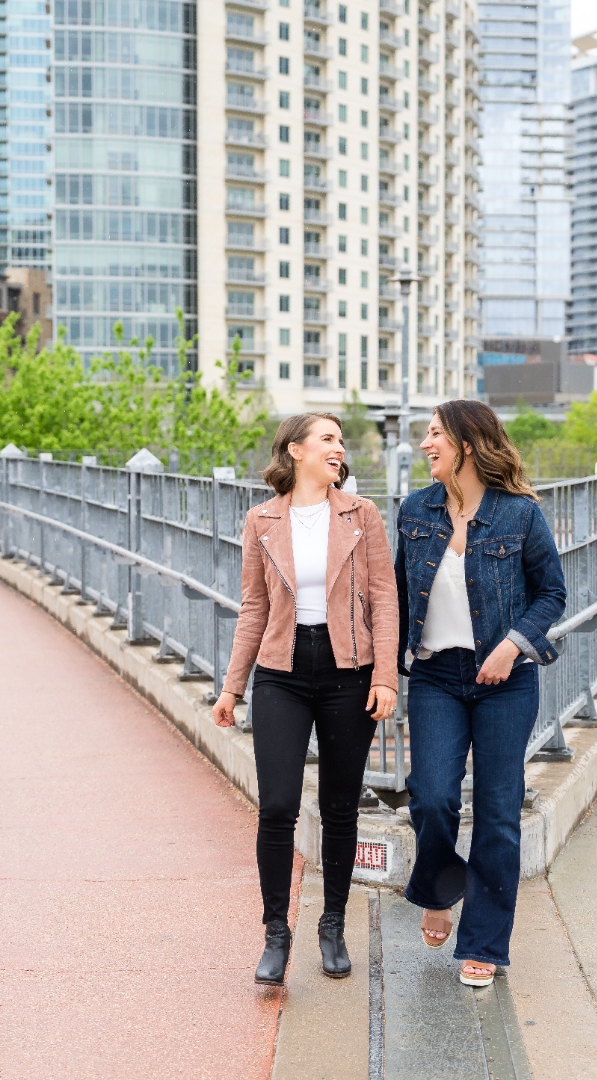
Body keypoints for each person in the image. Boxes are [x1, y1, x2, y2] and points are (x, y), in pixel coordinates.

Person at [213, 413, 399, 986]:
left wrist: (385, 676)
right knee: (277, 807)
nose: (338, 449)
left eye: (341, 441)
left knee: (342, 806)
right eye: (328, 439)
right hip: (281, 673)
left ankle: (334, 924)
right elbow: (253, 607)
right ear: (296, 451)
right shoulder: (262, 519)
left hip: (349, 671)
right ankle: (276, 933)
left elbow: (385, 599)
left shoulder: (361, 515)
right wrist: (232, 687)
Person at [395, 400, 567, 987]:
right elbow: (396, 595)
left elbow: (552, 595)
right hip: (437, 676)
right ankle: (441, 888)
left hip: (505, 682)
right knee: (433, 797)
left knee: (497, 813)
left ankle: (486, 946)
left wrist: (513, 644)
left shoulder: (519, 515)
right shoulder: (415, 511)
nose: (426, 444)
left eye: (435, 434)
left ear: (467, 443)